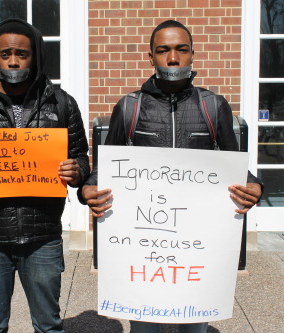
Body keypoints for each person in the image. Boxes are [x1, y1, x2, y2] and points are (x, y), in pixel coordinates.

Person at [79, 20, 263, 333]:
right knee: (145, 328)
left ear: (193, 55)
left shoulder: (213, 105)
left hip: (196, 250)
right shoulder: (128, 107)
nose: (173, 58)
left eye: (181, 49)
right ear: (150, 57)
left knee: (194, 327)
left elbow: (234, 168)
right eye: (163, 50)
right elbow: (104, 173)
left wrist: (256, 186)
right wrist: (87, 191)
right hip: (144, 251)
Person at [0, 19, 89, 333]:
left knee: (48, 325)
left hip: (43, 235)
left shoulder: (62, 104)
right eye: (5, 53)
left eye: (21, 54)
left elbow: (81, 159)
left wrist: (76, 171)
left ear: (35, 57)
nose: (13, 60)